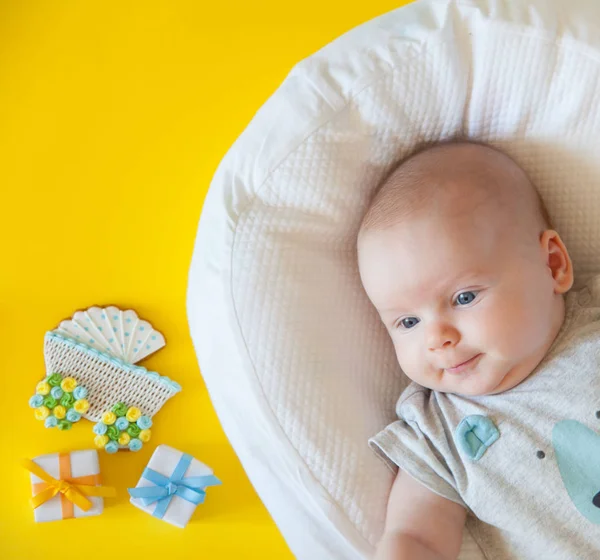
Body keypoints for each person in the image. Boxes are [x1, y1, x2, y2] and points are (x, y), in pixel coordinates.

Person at [357, 140, 600, 559]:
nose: (438, 338)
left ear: (553, 265)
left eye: (464, 297)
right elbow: (417, 537)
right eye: (409, 322)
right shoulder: (437, 429)